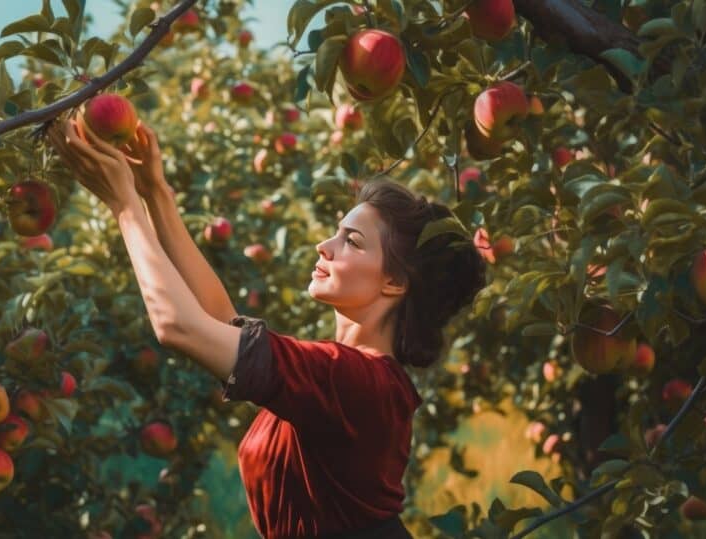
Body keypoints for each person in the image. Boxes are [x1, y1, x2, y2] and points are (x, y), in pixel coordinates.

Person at [47, 111, 487, 539]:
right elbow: (218, 320)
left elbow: (179, 326)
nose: (324, 245)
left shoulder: (359, 382)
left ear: (394, 282)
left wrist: (125, 206)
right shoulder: (339, 374)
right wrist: (153, 190)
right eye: (337, 231)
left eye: (350, 241)